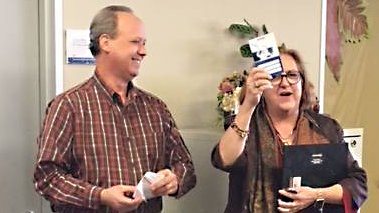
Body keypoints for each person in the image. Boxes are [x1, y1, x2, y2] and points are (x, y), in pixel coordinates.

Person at [34, 5, 196, 213]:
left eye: (144, 43)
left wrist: (174, 180)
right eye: (135, 42)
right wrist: (100, 196)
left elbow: (186, 167)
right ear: (105, 42)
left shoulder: (156, 109)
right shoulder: (68, 106)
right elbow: (47, 177)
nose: (143, 51)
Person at [211, 46, 367, 213]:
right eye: (275, 77)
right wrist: (248, 104)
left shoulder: (327, 128)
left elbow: (357, 183)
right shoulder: (247, 125)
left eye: (292, 75)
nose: (285, 83)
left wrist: (316, 195)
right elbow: (224, 160)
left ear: (302, 83)